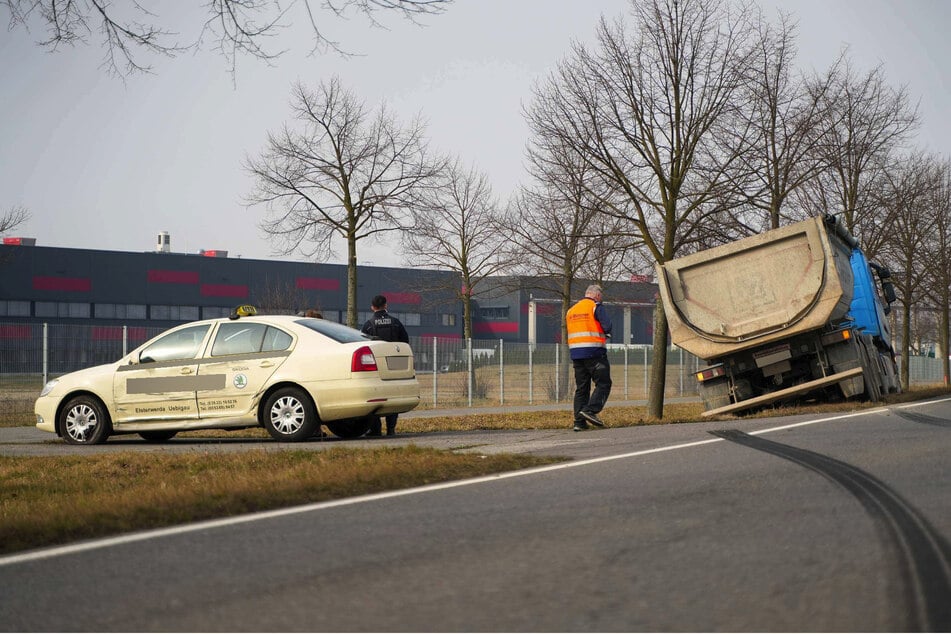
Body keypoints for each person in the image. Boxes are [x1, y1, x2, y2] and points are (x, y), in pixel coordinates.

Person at [361, 294, 410, 437]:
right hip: (395, 365)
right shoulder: (395, 322)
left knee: (376, 399)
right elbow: (405, 341)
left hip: (377, 366)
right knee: (392, 399)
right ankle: (391, 429)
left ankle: (376, 429)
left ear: (372, 307)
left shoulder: (368, 325)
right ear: (386, 305)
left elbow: (363, 344)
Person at [566, 284, 613, 432]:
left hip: (576, 354)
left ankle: (579, 423)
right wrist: (606, 333)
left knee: (582, 388)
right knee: (604, 383)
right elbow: (607, 326)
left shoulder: (571, 310)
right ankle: (590, 410)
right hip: (594, 352)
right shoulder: (595, 306)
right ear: (597, 295)